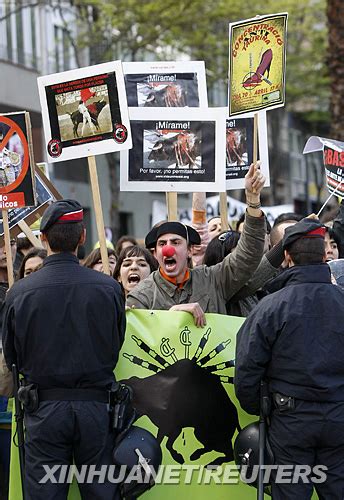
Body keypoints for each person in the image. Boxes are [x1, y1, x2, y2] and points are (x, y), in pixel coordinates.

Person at [2, 199, 125, 499]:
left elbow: (11, 355)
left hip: (44, 410)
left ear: (43, 238)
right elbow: (115, 343)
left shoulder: (19, 292)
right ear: (83, 236)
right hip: (96, 410)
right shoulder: (108, 288)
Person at [235, 218, 344, 499]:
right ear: (324, 255)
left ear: (286, 256)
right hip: (337, 418)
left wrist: (263, 410)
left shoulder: (270, 307)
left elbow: (247, 369)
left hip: (290, 421)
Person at [127, 162, 267, 326]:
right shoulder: (141, 296)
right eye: (162, 243)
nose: (168, 248)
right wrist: (172, 316)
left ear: (190, 251)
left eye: (176, 242)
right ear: (155, 254)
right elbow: (133, 337)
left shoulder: (214, 279)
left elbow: (248, 255)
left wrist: (253, 200)